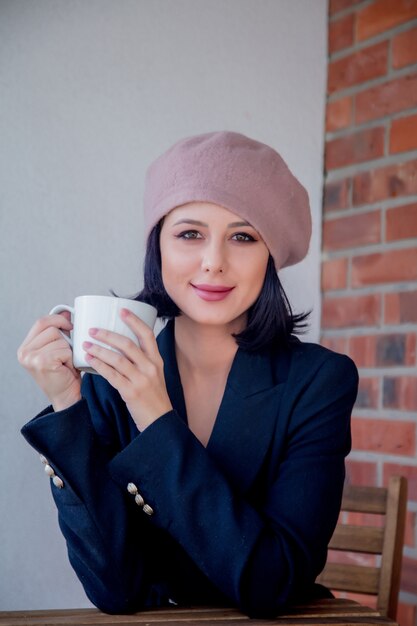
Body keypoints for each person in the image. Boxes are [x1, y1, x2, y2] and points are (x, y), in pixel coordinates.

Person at [18, 131, 359, 619]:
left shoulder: (319, 382)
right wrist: (67, 405)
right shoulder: (108, 380)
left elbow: (272, 582)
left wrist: (156, 417)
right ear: (158, 247)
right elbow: (116, 589)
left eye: (243, 236)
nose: (213, 262)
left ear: (271, 257)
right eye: (189, 233)